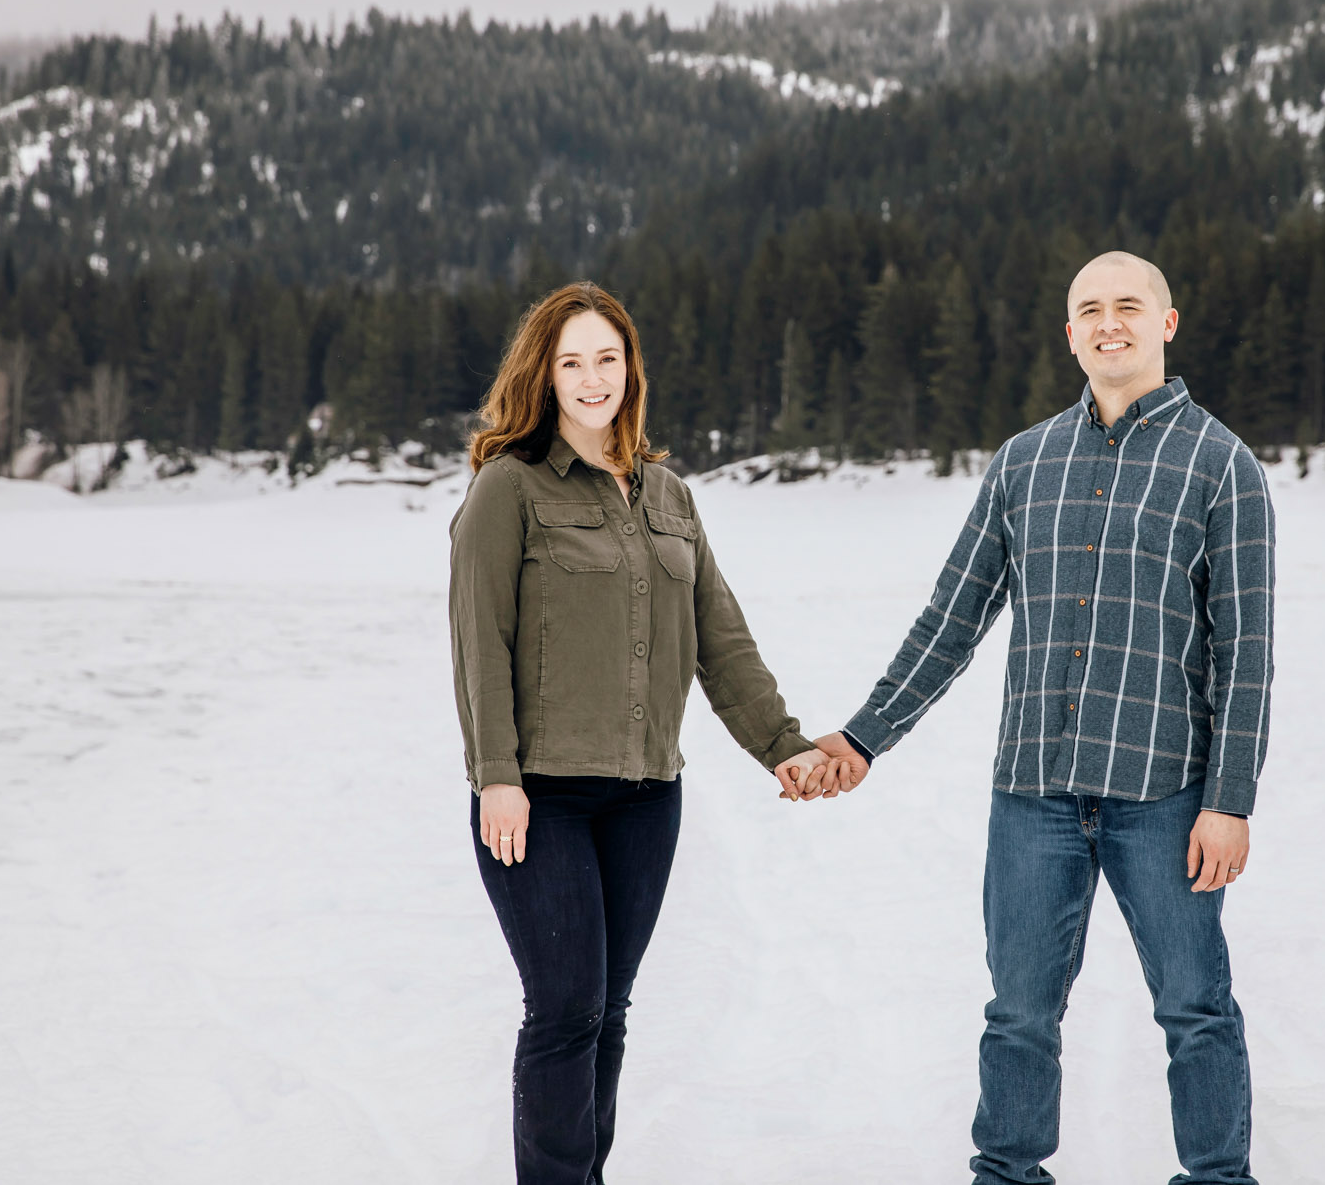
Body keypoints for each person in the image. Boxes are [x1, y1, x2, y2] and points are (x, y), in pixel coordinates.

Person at [806, 251, 1274, 1185]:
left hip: (1165, 796)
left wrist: (1230, 800)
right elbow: (952, 618)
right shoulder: (1023, 462)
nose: (1110, 323)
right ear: (1069, 333)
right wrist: (862, 735)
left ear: (1167, 323)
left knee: (1197, 1007)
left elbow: (1246, 654)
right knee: (1019, 1013)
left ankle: (1219, 1179)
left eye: (1129, 306)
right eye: (1089, 310)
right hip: (1035, 796)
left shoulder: (1224, 467)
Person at [448, 281, 832, 1185]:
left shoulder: (668, 495)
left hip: (647, 796)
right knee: (564, 1007)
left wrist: (784, 742)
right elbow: (478, 641)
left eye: (607, 358)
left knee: (607, 1009)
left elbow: (720, 637)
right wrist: (495, 773)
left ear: (631, 369)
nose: (592, 378)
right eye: (571, 361)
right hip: (539, 797)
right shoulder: (509, 489)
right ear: (544, 374)